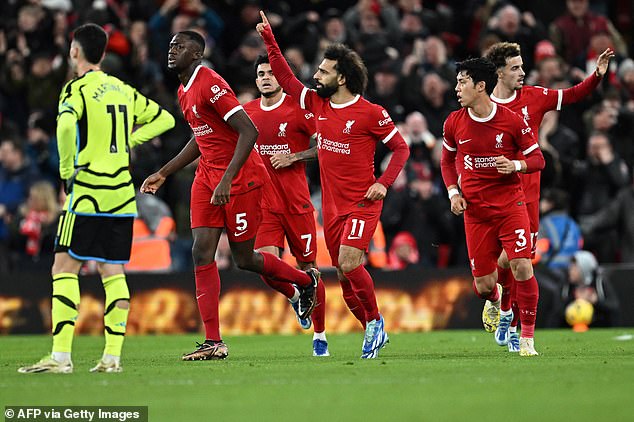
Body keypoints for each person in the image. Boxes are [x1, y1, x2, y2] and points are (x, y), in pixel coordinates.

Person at [140, 30, 320, 361]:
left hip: (241, 180)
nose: (171, 50)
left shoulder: (209, 82)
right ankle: (213, 341)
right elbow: (201, 137)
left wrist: (228, 178)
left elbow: (248, 130)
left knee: (244, 258)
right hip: (207, 178)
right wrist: (164, 172)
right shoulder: (184, 90)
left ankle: (304, 282)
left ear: (196, 54)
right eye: (170, 45)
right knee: (201, 252)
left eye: (179, 46)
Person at [18, 23, 176, 374]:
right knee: (113, 271)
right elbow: (164, 119)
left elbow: (63, 127)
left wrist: (65, 169)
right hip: (121, 196)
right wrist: (127, 142)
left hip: (88, 192)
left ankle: (61, 356)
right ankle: (112, 358)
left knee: (63, 267)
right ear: (102, 53)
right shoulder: (121, 88)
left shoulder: (76, 89)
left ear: (75, 51)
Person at [257, 11, 410, 359]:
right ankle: (373, 324)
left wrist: (384, 183)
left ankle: (374, 324)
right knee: (344, 280)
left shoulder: (371, 112)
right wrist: (269, 39)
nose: (315, 75)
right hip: (333, 208)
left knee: (351, 263)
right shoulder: (316, 104)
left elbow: (401, 147)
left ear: (341, 76)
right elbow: (287, 76)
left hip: (363, 202)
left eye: (324, 71)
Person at [483, 42, 614, 351]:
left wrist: (597, 75)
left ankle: (511, 321)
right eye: (515, 67)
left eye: (522, 66)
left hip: (526, 195)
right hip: (490, 193)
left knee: (520, 261)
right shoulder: (482, 106)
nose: (522, 72)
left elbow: (572, 95)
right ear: (498, 72)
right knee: (498, 266)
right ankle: (498, 301)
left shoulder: (534, 97)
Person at [440, 57, 545, 356]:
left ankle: (525, 339)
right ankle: (499, 303)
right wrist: (452, 194)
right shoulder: (454, 122)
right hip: (475, 213)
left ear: (480, 86)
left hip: (511, 206)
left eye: (462, 82)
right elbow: (447, 160)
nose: (457, 88)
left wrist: (515, 164)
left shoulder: (511, 119)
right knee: (485, 285)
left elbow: (538, 159)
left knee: (522, 265)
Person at [243, 54, 329, 357]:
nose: (266, 77)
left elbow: (324, 146)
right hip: (264, 206)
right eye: (260, 73)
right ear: (256, 80)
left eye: (270, 72)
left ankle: (320, 336)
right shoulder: (247, 112)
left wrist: (293, 157)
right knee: (264, 265)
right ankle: (295, 293)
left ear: (281, 77)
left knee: (311, 269)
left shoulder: (299, 110)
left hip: (297, 205)